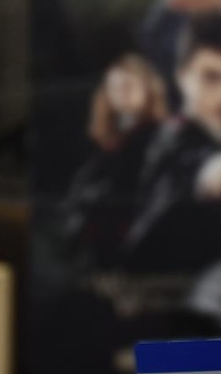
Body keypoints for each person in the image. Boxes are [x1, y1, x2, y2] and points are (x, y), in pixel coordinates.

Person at [126, 11, 221, 273]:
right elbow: (183, 168)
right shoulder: (170, 139)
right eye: (211, 77)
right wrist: (214, 170)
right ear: (182, 77)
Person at [60, 53, 166, 270]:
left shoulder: (160, 139)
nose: (121, 93)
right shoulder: (104, 145)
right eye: (114, 87)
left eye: (128, 85)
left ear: (148, 88)